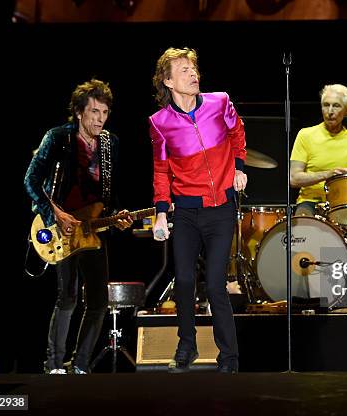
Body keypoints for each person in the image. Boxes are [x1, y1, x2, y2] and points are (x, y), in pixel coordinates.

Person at [24, 79, 133, 374]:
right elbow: (31, 181)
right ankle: (54, 364)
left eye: (105, 112)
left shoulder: (110, 144)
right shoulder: (58, 137)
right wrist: (55, 214)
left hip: (93, 230)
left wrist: (116, 216)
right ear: (79, 112)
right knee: (68, 296)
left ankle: (81, 365)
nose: (100, 118)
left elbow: (108, 191)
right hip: (63, 227)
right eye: (94, 112)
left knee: (98, 299)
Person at [150, 47, 247, 374]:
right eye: (183, 70)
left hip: (220, 208)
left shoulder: (220, 102)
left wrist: (239, 166)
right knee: (185, 281)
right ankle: (186, 345)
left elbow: (237, 132)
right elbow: (161, 170)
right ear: (168, 81)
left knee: (217, 285)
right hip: (187, 213)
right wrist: (162, 212)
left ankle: (229, 359)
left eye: (193, 68)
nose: (193, 74)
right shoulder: (160, 123)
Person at [290, 84, 347, 216]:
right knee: (302, 231)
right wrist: (328, 174)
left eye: (336, 106)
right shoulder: (305, 135)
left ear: (346, 110)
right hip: (309, 202)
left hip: (343, 203)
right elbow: (294, 179)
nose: (330, 111)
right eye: (326, 105)